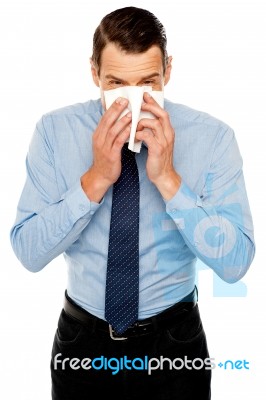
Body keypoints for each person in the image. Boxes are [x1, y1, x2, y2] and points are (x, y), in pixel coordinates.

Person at [10, 6, 255, 400]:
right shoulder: (54, 132)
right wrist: (94, 180)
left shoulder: (213, 138)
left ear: (168, 72)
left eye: (148, 82)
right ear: (94, 74)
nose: (133, 100)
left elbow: (236, 264)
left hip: (175, 345)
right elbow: (28, 252)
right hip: (82, 344)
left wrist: (168, 179)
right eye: (116, 83)